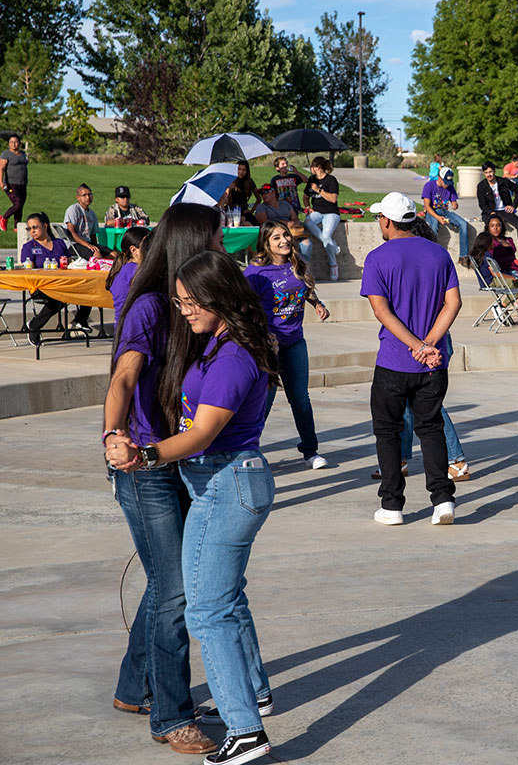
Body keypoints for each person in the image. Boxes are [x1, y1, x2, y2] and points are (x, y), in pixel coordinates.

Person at [106, 249, 278, 765]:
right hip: (227, 481)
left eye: (190, 301)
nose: (183, 311)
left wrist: (147, 454)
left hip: (226, 481)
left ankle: (244, 730)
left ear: (218, 295)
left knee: (208, 611)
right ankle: (255, 692)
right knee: (225, 598)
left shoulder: (231, 357)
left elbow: (204, 433)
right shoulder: (224, 343)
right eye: (177, 301)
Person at [99, 205, 228, 757]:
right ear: (190, 245)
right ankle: (170, 714)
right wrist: (113, 435)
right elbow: (124, 375)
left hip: (175, 457)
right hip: (140, 465)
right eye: (216, 241)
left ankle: (134, 687)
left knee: (163, 582)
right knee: (175, 587)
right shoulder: (150, 308)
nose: (223, 250)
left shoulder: (197, 307)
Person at [362, 192, 462, 526]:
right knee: (431, 428)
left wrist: (415, 344)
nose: (379, 223)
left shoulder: (377, 258)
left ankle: (392, 506)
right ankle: (443, 501)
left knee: (388, 432)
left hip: (393, 361)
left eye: (379, 218)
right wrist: (430, 343)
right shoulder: (439, 254)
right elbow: (453, 304)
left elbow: (381, 311)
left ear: (387, 221)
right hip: (434, 362)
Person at [245, 221, 332, 470]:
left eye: (285, 235)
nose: (284, 240)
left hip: (295, 343)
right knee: (264, 401)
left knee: (300, 399)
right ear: (265, 244)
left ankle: (310, 450)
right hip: (268, 348)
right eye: (276, 238)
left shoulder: (297, 263)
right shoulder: (254, 273)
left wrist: (317, 304)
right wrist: (261, 336)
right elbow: (242, 309)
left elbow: (306, 290)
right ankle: (249, 449)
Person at [469, 212, 518, 311]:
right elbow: (494, 271)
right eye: (492, 226)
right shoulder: (488, 243)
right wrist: (512, 276)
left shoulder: (508, 240)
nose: (495, 228)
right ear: (488, 227)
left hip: (516, 269)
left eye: (498, 225)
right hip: (505, 272)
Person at [19, 212, 74, 344]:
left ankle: (80, 321)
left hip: (60, 283)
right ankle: (35, 326)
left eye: (35, 227)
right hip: (39, 286)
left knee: (84, 291)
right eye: (29, 228)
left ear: (45, 226)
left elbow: (69, 262)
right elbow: (27, 269)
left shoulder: (59, 243)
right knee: (59, 298)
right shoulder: (29, 247)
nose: (32, 231)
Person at [475, 161, 518, 257]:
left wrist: (513, 206)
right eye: (486, 173)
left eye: (490, 172)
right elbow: (482, 204)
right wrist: (491, 212)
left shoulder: (503, 181)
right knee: (490, 228)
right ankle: (483, 253)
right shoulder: (481, 186)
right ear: (484, 173)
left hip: (504, 210)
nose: (489, 175)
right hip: (489, 212)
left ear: (494, 171)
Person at [302, 156, 343, 280]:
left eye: (312, 166)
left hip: (331, 212)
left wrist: (318, 190)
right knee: (308, 222)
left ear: (318, 167)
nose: (311, 169)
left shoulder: (331, 180)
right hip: (317, 212)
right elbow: (305, 196)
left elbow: (333, 199)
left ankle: (333, 265)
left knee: (326, 236)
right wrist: (308, 207)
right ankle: (333, 246)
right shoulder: (311, 179)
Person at [422, 166, 472, 267]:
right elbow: (427, 206)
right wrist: (437, 217)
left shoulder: (450, 187)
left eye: (448, 183)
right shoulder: (429, 186)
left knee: (463, 224)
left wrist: (454, 204)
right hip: (432, 212)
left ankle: (463, 256)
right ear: (439, 178)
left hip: (444, 212)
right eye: (445, 182)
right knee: (434, 226)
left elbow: (454, 201)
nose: (447, 185)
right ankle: (430, 255)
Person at [106, 225, 150, 329]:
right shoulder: (133, 271)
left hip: (128, 329)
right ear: (134, 250)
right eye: (148, 245)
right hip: (134, 330)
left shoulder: (126, 269)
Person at [64, 183, 104, 258]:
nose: (88, 197)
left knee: (114, 254)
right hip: (73, 245)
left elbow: (93, 235)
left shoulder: (92, 214)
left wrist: (95, 246)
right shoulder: (73, 209)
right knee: (97, 255)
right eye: (84, 195)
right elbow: (70, 233)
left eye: (89, 194)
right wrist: (89, 245)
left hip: (88, 244)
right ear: (78, 197)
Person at [0, 133, 28, 233]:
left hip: (22, 184)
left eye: (15, 142)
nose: (13, 144)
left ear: (19, 143)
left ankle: (17, 226)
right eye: (11, 142)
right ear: (9, 143)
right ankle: (3, 218)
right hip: (11, 184)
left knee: (20, 206)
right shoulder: (6, 154)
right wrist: (1, 182)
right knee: (17, 204)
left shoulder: (23, 154)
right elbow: (1, 169)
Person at [218, 160, 260, 225]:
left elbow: (259, 198)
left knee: (254, 223)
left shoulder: (249, 182)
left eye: (244, 170)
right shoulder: (231, 180)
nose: (241, 172)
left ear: (247, 171)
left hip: (243, 209)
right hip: (230, 209)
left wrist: (252, 210)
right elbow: (225, 198)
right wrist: (230, 188)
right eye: (239, 169)